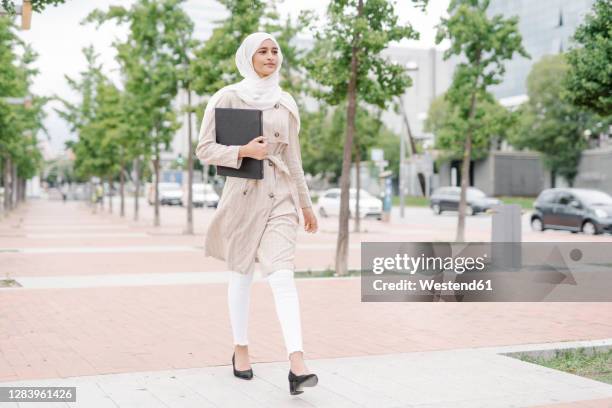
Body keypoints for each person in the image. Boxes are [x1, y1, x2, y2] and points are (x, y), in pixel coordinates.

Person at [195, 32, 319, 395]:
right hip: (242, 197)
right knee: (242, 274)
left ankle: (297, 363)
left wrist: (305, 204)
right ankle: (241, 348)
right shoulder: (227, 97)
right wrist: (244, 150)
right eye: (262, 51)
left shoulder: (286, 102)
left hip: (280, 197)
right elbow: (204, 149)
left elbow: (294, 158)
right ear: (247, 57)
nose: (271, 56)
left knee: (282, 276)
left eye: (275, 50)